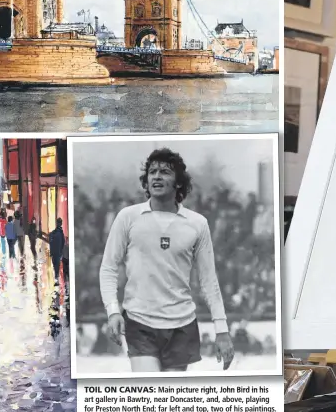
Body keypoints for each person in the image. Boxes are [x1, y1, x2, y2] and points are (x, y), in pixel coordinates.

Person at [100, 148, 235, 373]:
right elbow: (108, 267)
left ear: (179, 183)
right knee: (150, 393)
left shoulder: (197, 223)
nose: (157, 176)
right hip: (139, 321)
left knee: (170, 397)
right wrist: (113, 311)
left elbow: (209, 281)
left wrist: (221, 330)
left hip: (182, 325)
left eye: (165, 172)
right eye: (152, 172)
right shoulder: (128, 217)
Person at [49, 218, 65, 286]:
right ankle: (56, 279)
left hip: (55, 252)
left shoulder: (55, 233)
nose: (59, 224)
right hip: (57, 252)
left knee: (56, 266)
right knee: (56, 266)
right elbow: (63, 243)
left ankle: (56, 280)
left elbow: (51, 242)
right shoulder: (60, 233)